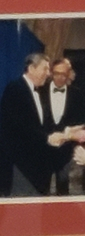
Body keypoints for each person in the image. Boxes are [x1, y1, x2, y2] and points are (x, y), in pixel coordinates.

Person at [0, 53, 55, 196]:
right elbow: (17, 126)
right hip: (20, 167)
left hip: (38, 167)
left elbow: (42, 124)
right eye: (45, 69)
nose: (48, 74)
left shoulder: (42, 92)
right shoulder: (14, 89)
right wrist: (47, 138)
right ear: (31, 68)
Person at [38, 58, 85, 194]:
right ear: (51, 73)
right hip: (43, 147)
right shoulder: (39, 92)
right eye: (57, 73)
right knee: (41, 185)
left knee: (63, 186)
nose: (60, 78)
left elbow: (83, 120)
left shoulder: (77, 94)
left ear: (69, 74)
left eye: (64, 74)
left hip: (65, 149)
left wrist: (68, 134)